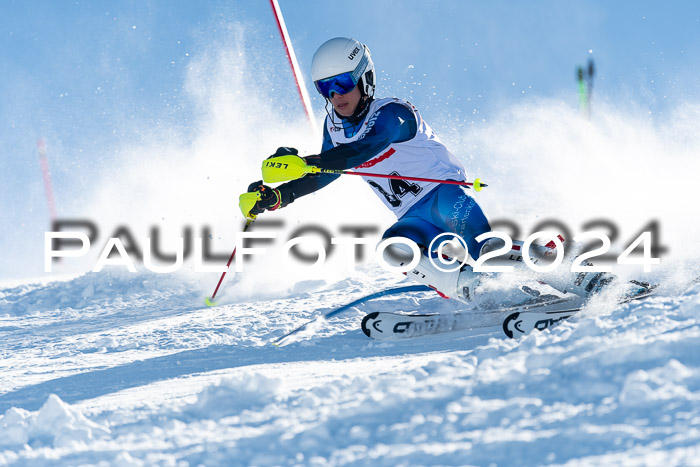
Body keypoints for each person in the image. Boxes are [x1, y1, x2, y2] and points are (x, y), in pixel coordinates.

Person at [241, 37, 614, 303]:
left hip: (445, 197)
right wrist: (279, 195)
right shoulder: (333, 127)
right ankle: (482, 293)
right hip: (411, 214)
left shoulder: (393, 113)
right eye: (326, 88)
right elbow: (331, 171)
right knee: (394, 248)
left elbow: (363, 150)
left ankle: (573, 267)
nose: (337, 96)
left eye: (343, 83)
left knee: (483, 248)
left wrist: (308, 160)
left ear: (365, 78)